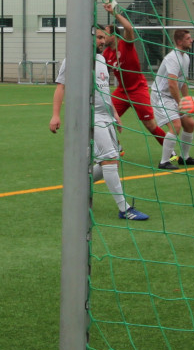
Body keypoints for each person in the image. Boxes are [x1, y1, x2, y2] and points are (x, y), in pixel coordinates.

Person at [49, 32, 149, 221]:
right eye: (99, 37)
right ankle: (124, 209)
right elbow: (61, 87)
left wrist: (115, 114)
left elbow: (104, 89)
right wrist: (55, 115)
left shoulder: (102, 59)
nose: (103, 41)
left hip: (106, 117)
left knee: (112, 161)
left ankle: (77, 185)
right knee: (109, 159)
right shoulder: (74, 59)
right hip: (90, 117)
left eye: (103, 37)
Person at [98, 2, 167, 146]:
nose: (103, 37)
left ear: (114, 35)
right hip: (122, 92)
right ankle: (116, 147)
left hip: (138, 89)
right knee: (104, 118)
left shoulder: (126, 44)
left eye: (105, 33)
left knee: (150, 125)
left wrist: (113, 13)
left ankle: (171, 152)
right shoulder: (106, 53)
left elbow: (129, 28)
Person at [150, 28, 194, 170]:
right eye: (188, 38)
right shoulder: (172, 58)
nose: (191, 40)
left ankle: (184, 158)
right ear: (179, 41)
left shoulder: (185, 57)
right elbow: (172, 84)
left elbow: (182, 82)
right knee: (176, 125)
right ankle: (164, 162)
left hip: (172, 97)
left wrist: (187, 101)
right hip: (160, 96)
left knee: (190, 123)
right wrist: (180, 104)